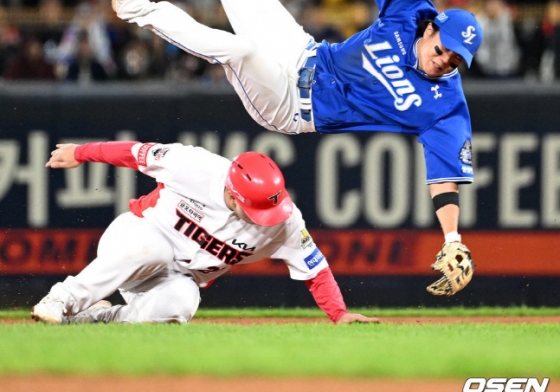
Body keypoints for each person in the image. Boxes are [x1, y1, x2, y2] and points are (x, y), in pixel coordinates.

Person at [112, 0, 483, 284]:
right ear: (431, 28)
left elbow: (443, 179)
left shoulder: (447, 107)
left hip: (290, 104)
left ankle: (139, 10)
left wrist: (451, 238)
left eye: (456, 61)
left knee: (239, 50)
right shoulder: (414, 11)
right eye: (444, 49)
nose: (446, 61)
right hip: (301, 49)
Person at [31, 141, 379, 325]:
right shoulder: (195, 166)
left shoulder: (284, 221)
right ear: (231, 192)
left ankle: (97, 318)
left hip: (177, 276)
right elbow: (134, 153)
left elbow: (315, 269)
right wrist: (79, 152)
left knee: (180, 306)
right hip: (136, 237)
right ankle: (62, 299)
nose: (266, 217)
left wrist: (340, 314)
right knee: (154, 249)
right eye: (256, 207)